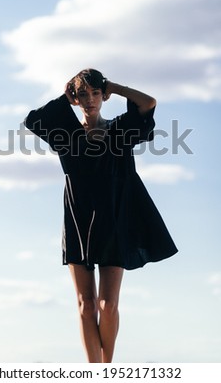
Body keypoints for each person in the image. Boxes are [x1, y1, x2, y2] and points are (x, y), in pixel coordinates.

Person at [24, 68, 178, 363]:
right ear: (76, 97)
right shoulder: (65, 133)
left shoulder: (120, 130)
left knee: (108, 305)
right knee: (86, 306)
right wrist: (64, 98)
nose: (90, 100)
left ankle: (106, 369)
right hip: (78, 219)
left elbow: (148, 103)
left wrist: (114, 87)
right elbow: (33, 119)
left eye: (95, 93)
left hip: (114, 219)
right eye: (83, 94)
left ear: (103, 96)